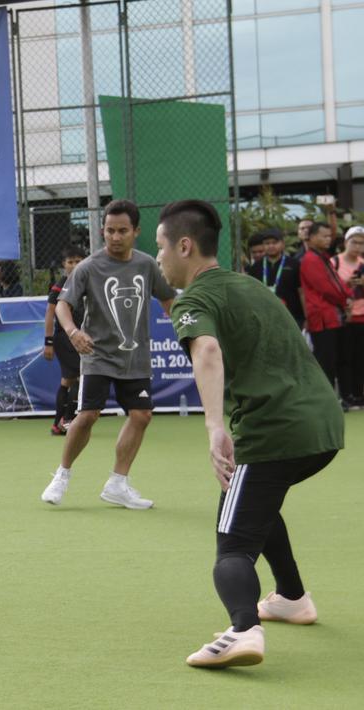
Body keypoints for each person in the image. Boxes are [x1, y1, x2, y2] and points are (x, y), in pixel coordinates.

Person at [154, 199, 343, 669]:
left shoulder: (193, 300)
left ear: (184, 245)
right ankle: (292, 598)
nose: (157, 258)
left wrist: (215, 426)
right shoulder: (252, 287)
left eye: (159, 247)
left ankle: (242, 630)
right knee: (257, 501)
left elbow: (209, 352)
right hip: (324, 426)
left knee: (233, 543)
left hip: (274, 433)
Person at [40, 199, 176, 509]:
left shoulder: (147, 265)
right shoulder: (88, 266)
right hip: (97, 355)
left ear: (136, 232)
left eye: (122, 231)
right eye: (110, 231)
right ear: (103, 230)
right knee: (88, 415)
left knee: (141, 415)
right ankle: (62, 475)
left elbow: (169, 302)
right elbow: (62, 305)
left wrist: (190, 332)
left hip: (136, 358)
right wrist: (73, 333)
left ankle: (118, 483)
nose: (115, 237)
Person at [299, 221, 350, 399]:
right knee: (326, 361)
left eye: (329, 236)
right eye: (324, 236)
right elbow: (326, 288)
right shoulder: (310, 259)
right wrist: (346, 298)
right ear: (311, 238)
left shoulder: (322, 256)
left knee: (339, 359)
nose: (328, 239)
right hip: (322, 318)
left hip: (332, 316)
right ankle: (327, 399)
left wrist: (345, 296)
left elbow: (334, 284)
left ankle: (345, 397)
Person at [42, 245, 87, 436]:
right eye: (70, 262)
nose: (74, 265)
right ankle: (67, 420)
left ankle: (57, 423)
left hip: (79, 336)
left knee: (67, 381)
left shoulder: (86, 283)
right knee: (80, 374)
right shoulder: (60, 285)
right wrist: (49, 342)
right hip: (63, 339)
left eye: (78, 261)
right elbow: (50, 313)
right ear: (64, 265)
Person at [245, 228, 302, 327]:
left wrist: (305, 318)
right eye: (267, 243)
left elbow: (301, 292)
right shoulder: (255, 267)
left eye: (275, 242)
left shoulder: (294, 264)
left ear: (283, 244)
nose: (271, 246)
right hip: (265, 317)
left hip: (292, 317)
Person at [335, 226, 364, 406]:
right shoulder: (334, 262)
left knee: (361, 358)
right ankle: (346, 396)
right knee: (345, 357)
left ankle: (359, 394)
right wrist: (346, 284)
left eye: (362, 243)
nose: (358, 246)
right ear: (346, 242)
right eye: (354, 242)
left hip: (363, 317)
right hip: (344, 317)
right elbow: (330, 287)